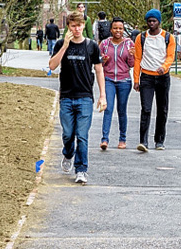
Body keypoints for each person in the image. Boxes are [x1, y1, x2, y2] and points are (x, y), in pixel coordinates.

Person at [48, 11, 105, 184]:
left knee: (82, 135)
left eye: (79, 25)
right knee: (67, 135)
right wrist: (65, 46)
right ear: (68, 27)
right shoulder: (60, 44)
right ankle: (68, 154)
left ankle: (81, 169)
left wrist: (103, 95)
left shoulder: (91, 46)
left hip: (85, 97)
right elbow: (52, 65)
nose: (77, 29)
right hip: (66, 96)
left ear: (84, 25)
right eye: (73, 26)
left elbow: (99, 69)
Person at [133, 8, 174, 153]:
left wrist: (165, 67)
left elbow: (170, 56)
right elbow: (137, 58)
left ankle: (159, 140)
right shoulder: (141, 38)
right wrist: (136, 79)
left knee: (162, 109)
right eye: (149, 21)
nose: (151, 24)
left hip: (163, 77)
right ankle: (143, 141)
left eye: (154, 21)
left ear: (159, 22)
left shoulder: (168, 37)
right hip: (146, 77)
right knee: (146, 108)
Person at [99, 17, 134, 150]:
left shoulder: (129, 44)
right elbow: (98, 62)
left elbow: (132, 64)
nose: (117, 31)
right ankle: (104, 139)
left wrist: (131, 55)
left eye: (120, 28)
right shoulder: (105, 44)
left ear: (123, 30)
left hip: (124, 81)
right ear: (111, 29)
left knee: (121, 110)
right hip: (108, 80)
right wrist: (103, 60)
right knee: (107, 108)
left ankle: (122, 139)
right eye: (115, 28)